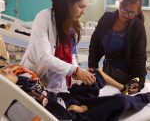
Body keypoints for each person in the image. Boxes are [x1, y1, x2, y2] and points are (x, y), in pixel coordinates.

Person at [20, 0, 96, 93]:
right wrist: (75, 71)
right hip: (36, 79)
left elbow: (72, 56)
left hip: (62, 83)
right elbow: (44, 57)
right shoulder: (44, 17)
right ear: (67, 3)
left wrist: (78, 73)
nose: (83, 12)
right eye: (81, 7)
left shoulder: (73, 25)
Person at [0, 64, 150, 121]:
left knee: (93, 75)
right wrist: (78, 111)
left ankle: (124, 88)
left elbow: (43, 90)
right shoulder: (14, 104)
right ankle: (146, 97)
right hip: (71, 114)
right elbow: (47, 116)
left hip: (64, 99)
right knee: (119, 102)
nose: (7, 69)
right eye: (3, 72)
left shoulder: (20, 82)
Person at [88, 0, 147, 94]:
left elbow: (140, 56)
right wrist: (92, 65)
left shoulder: (138, 28)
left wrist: (139, 80)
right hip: (107, 72)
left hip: (126, 77)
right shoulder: (107, 18)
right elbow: (95, 43)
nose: (126, 15)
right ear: (119, 5)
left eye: (132, 13)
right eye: (124, 10)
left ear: (137, 12)